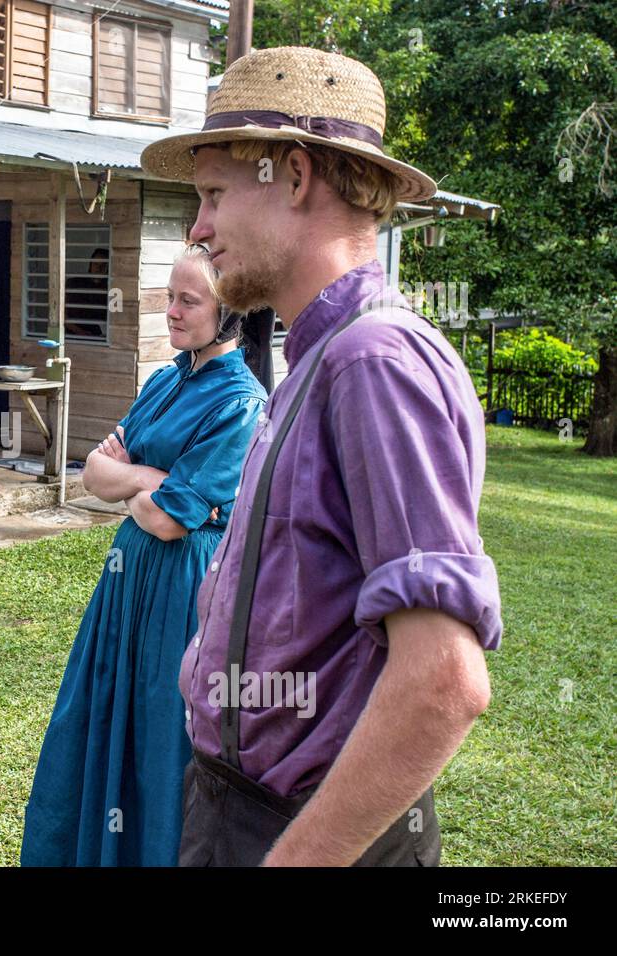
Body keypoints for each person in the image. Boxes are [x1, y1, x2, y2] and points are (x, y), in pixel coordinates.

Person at [141, 46, 503, 866]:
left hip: (309, 833)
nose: (198, 228)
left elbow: (443, 682)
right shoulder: (319, 355)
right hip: (247, 809)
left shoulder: (372, 362)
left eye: (212, 194)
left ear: (293, 175)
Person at [21, 244, 267, 866]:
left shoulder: (241, 401)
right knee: (101, 716)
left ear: (229, 310)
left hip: (184, 591)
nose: (172, 312)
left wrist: (136, 479)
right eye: (168, 298)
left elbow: (164, 520)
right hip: (125, 582)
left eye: (189, 301)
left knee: (161, 735)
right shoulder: (163, 380)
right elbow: (93, 475)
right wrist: (150, 479)